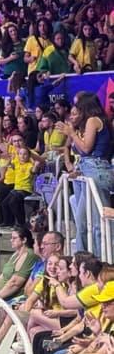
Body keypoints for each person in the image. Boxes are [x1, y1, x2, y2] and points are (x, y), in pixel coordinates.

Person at [54, 91, 112, 254]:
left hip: (96, 172)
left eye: (78, 106)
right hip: (87, 172)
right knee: (83, 222)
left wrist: (71, 133)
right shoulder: (96, 121)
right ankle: (84, 260)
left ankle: (101, 262)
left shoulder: (93, 121)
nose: (75, 111)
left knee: (96, 224)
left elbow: (86, 148)